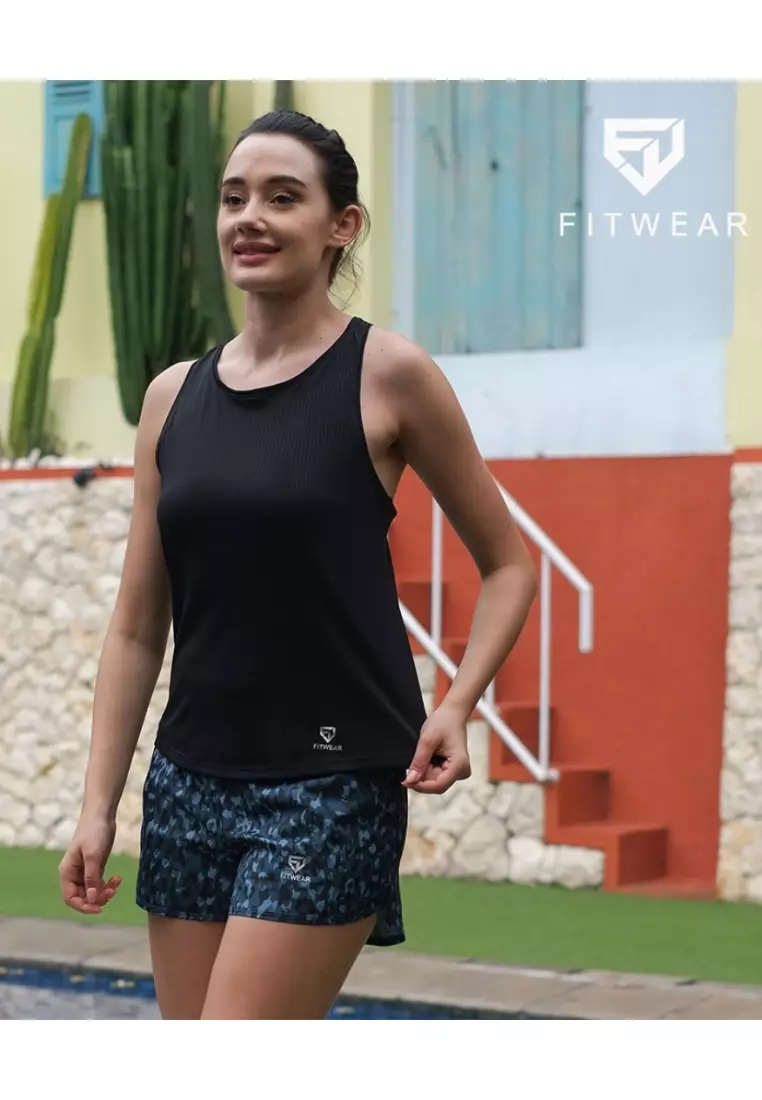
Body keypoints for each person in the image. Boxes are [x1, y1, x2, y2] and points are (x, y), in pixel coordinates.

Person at [58, 109, 538, 1020]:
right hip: (189, 781)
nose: (250, 217)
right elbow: (136, 629)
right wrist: (98, 807)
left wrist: (456, 704)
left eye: (283, 197)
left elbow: (509, 565)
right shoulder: (169, 398)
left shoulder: (388, 374)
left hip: (333, 784)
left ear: (340, 224)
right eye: (234, 197)